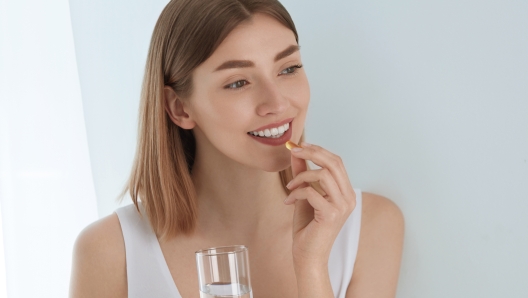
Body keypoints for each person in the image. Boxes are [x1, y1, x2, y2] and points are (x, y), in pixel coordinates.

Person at [69, 0, 404, 297]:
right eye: (238, 82)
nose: (277, 104)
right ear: (179, 108)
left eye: (288, 69)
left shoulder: (369, 227)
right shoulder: (110, 253)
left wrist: (312, 266)